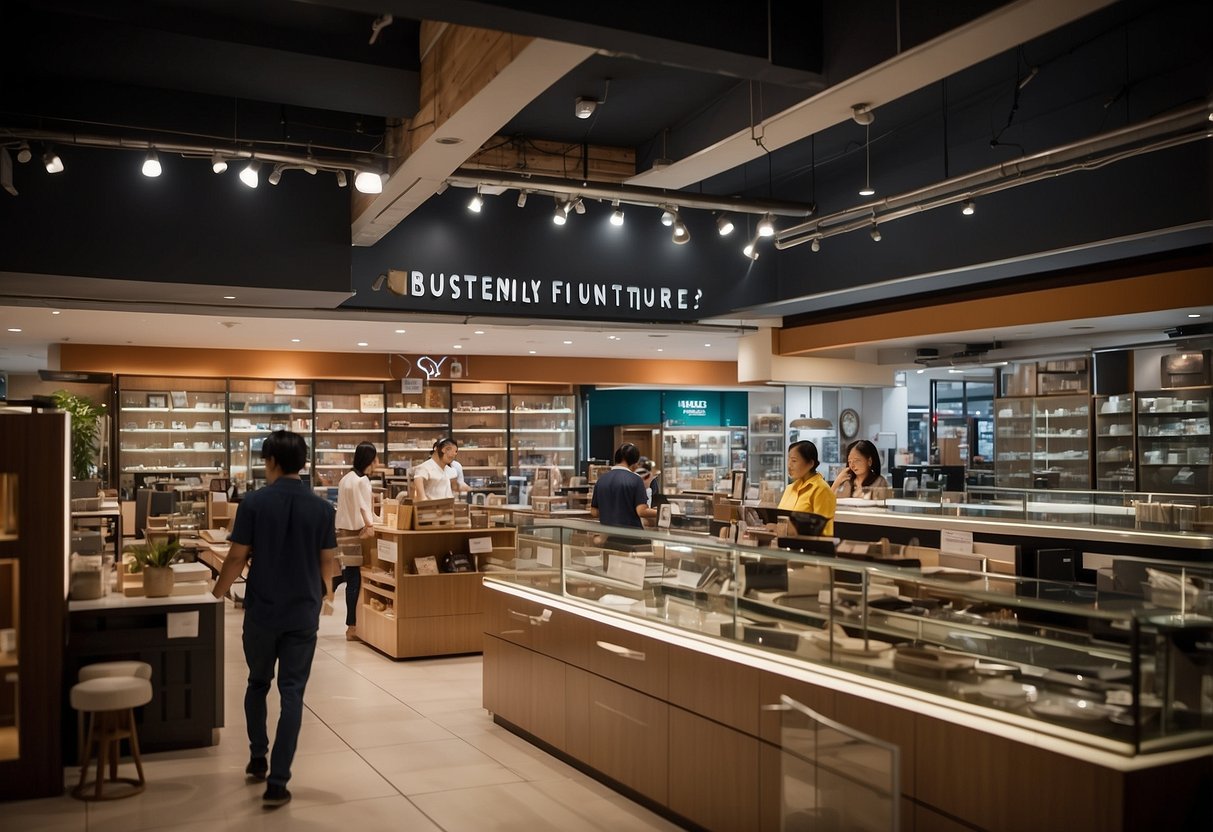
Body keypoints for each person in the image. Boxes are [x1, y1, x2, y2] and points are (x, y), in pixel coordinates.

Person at [211, 430, 338, 808]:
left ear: (272, 462)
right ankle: (279, 782)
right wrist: (327, 594)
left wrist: (215, 594)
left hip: (263, 610)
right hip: (303, 612)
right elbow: (326, 560)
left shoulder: (254, 502)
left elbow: (236, 557)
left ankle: (257, 758)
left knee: (257, 683)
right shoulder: (321, 509)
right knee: (293, 693)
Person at [335, 441, 377, 642]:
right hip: (356, 534)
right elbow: (364, 507)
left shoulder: (346, 478)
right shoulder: (362, 480)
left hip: (343, 532)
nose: (377, 462)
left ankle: (352, 625)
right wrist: (371, 524)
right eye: (375, 458)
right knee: (354, 581)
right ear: (369, 460)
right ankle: (352, 626)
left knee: (349, 578)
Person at [591, 443, 658, 528]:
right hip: (630, 535)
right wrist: (662, 512)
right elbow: (641, 511)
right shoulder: (635, 479)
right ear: (634, 463)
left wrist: (611, 513)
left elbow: (594, 511)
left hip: (607, 534)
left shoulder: (601, 480)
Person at [778, 440, 836, 535]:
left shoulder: (821, 489)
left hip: (807, 547)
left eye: (794, 461)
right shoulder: (790, 488)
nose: (789, 465)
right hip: (783, 545)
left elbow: (825, 532)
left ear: (810, 463)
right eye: (788, 460)